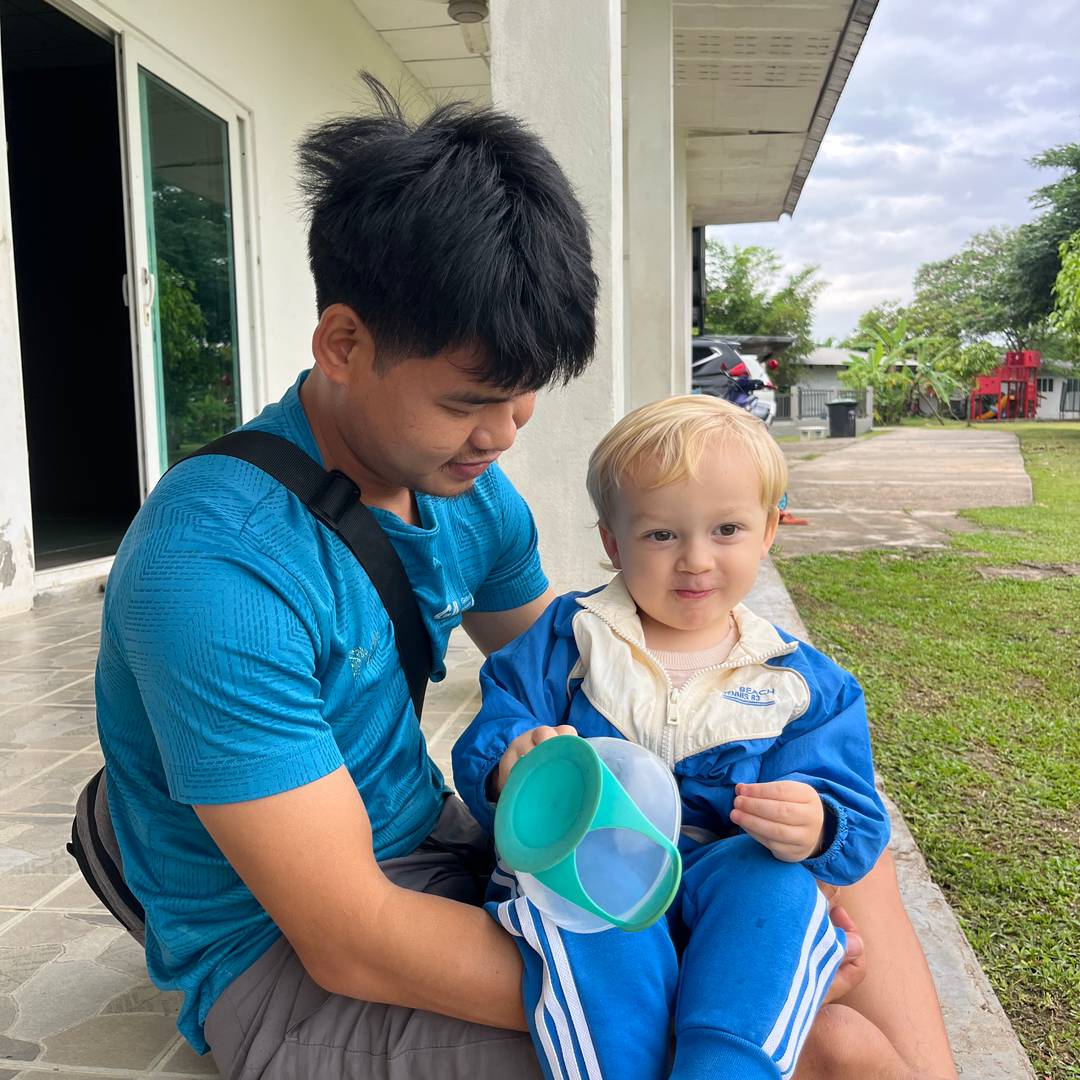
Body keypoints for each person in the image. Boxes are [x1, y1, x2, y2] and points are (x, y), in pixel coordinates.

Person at [94, 80, 954, 1080]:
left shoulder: (463, 491)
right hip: (288, 960)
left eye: (525, 395)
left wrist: (768, 767)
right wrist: (718, 977)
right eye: (470, 401)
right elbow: (350, 937)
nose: (500, 436)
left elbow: (584, 667)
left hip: (438, 848)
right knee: (816, 1047)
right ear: (345, 344)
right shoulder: (214, 571)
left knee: (821, 833)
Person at [452, 395, 892, 1078]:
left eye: (727, 529)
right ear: (612, 542)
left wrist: (819, 824)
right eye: (661, 535)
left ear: (770, 530)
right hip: (598, 865)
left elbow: (856, 821)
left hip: (728, 880)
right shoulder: (572, 639)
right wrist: (512, 761)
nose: (695, 560)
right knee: (580, 915)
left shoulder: (801, 683)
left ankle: (724, 1067)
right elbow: (496, 725)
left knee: (775, 888)